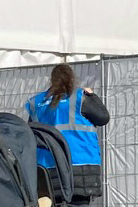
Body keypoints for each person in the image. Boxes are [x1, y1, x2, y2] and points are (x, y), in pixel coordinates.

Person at [24, 62, 109, 199]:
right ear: (72, 78)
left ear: (51, 80)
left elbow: (29, 133)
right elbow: (103, 118)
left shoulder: (37, 103)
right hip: (81, 165)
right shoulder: (80, 97)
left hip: (47, 169)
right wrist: (92, 96)